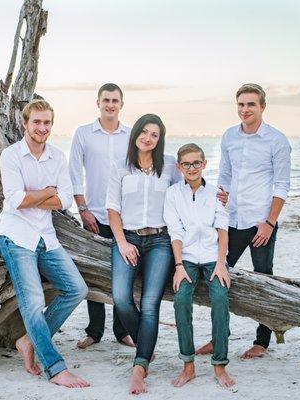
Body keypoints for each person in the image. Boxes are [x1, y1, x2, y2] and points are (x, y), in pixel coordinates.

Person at [0, 99, 90, 388]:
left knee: (77, 289)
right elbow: (15, 201)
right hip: (15, 236)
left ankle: (27, 340)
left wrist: (37, 195)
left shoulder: (58, 158)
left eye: (47, 122)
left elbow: (65, 200)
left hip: (46, 237)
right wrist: (48, 191)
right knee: (33, 303)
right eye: (36, 122)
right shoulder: (11, 156)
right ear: (25, 124)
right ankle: (56, 368)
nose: (42, 127)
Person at [195, 83, 291, 359]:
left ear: (262, 106)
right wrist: (219, 202)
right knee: (218, 277)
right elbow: (224, 176)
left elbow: (281, 186)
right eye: (241, 104)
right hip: (232, 220)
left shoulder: (277, 140)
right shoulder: (229, 137)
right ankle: (218, 337)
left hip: (261, 223)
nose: (245, 109)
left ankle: (262, 342)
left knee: (264, 281)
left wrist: (269, 223)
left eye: (251, 104)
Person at [106, 113, 182, 395]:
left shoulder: (170, 166)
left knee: (150, 304)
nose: (148, 138)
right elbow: (112, 209)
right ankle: (146, 344)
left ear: (159, 140)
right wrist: (123, 243)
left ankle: (140, 367)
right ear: (136, 132)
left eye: (155, 134)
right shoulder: (120, 167)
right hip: (127, 238)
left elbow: (190, 189)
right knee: (121, 298)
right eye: (144, 132)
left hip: (160, 240)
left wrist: (218, 196)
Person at [163, 143, 235, 389]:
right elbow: (175, 232)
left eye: (196, 163)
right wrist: (179, 265)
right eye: (186, 164)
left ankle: (220, 365)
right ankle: (188, 365)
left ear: (204, 164)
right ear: (179, 167)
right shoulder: (173, 194)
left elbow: (223, 230)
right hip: (188, 258)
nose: (191, 168)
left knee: (220, 298)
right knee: (181, 298)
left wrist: (222, 264)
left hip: (213, 257)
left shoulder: (215, 193)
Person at [69, 83, 134, 349]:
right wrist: (82, 209)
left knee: (124, 275)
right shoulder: (83, 134)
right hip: (93, 214)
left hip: (124, 216)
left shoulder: (131, 135)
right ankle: (94, 331)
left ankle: (122, 331)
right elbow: (74, 173)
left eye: (115, 100)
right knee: (93, 273)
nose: (110, 104)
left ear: (121, 104)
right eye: (106, 100)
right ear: (98, 103)